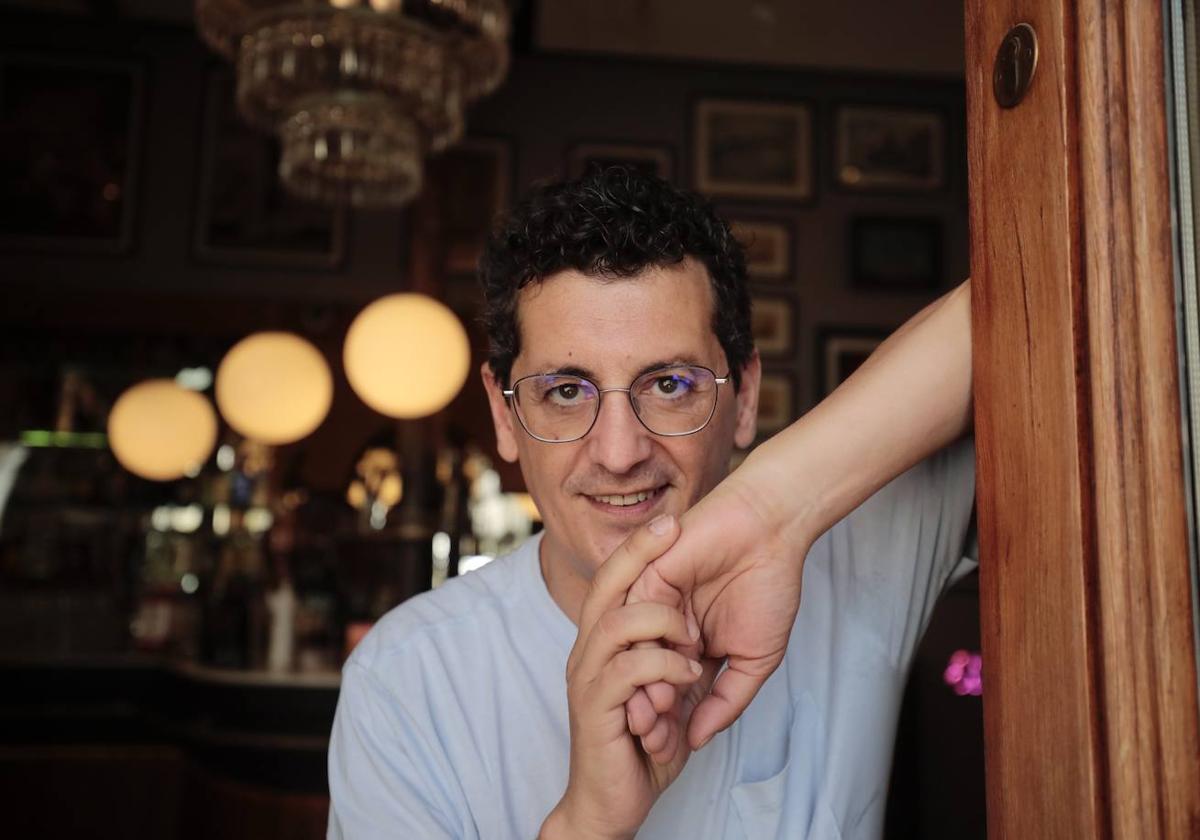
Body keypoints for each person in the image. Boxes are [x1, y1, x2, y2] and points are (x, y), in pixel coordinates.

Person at [326, 167, 975, 840]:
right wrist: (589, 822)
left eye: (670, 383)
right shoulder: (405, 680)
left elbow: (1039, 291)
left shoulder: (855, 552)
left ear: (744, 396)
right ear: (503, 413)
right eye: (566, 391)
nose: (617, 451)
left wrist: (771, 509)